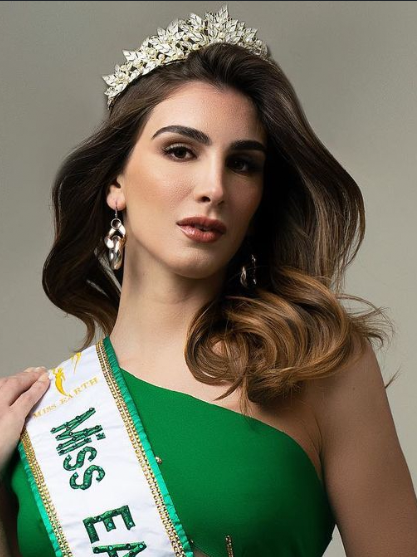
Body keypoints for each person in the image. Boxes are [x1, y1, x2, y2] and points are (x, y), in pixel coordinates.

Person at [1, 4, 417, 557]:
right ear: (115, 181)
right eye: (180, 151)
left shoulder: (313, 364)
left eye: (242, 164)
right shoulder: (43, 424)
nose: (214, 187)